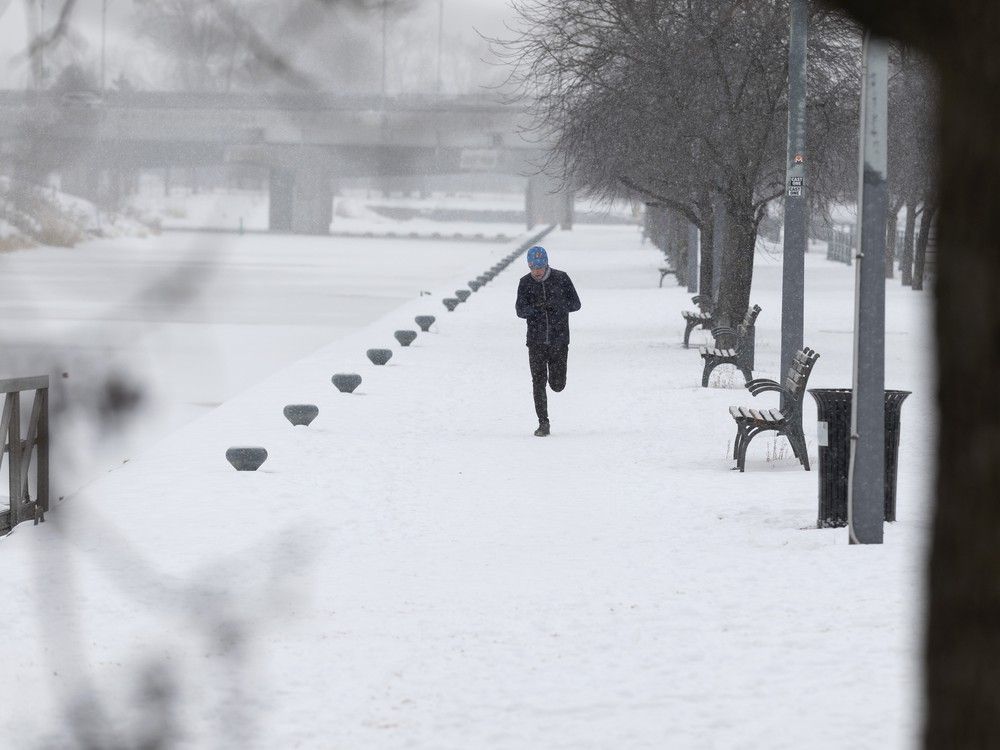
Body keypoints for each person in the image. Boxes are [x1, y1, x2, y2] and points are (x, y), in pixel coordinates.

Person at [514, 245, 582, 436]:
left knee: (557, 385)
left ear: (546, 264)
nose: (537, 271)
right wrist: (536, 309)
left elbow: (576, 304)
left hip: (559, 340)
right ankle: (543, 423)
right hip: (535, 341)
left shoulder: (561, 278)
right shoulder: (525, 283)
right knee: (538, 382)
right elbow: (520, 310)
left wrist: (556, 306)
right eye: (533, 267)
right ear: (528, 265)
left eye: (540, 267)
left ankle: (558, 381)